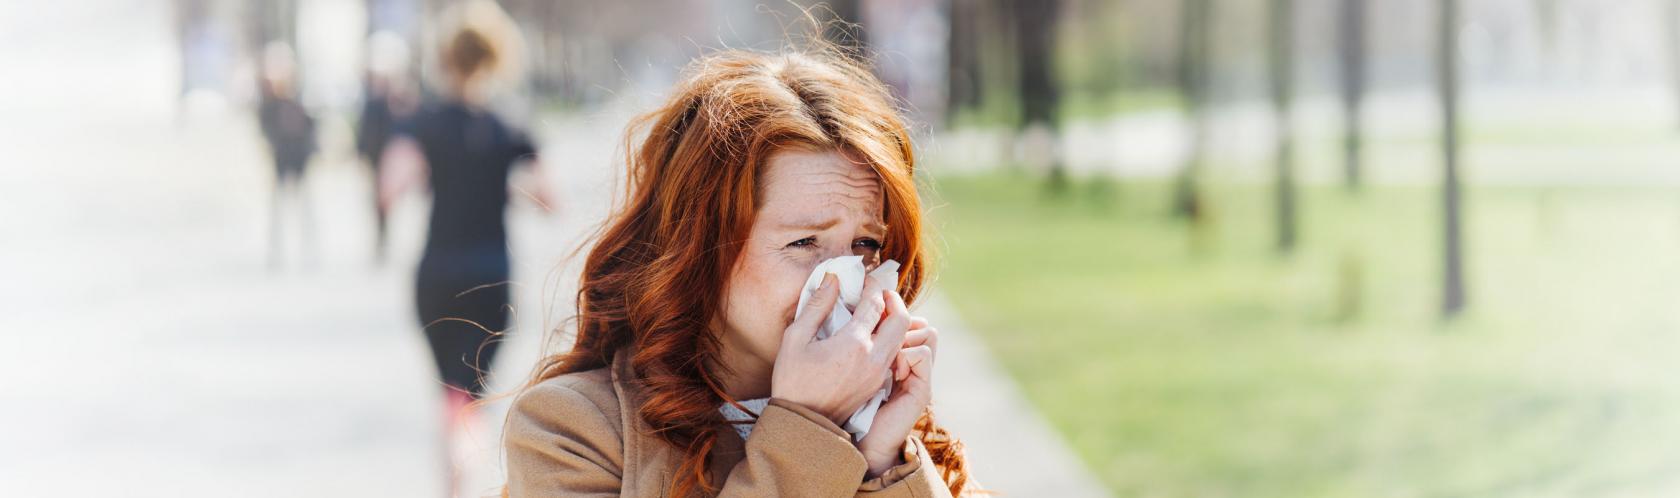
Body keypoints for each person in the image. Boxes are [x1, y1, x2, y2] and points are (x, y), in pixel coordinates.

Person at [503, 48, 972, 497]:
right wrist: (809, 427)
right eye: (804, 242)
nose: (845, 278)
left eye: (865, 244)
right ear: (701, 248)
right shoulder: (572, 427)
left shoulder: (884, 422)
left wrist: (882, 464)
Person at [378, 0, 551, 462]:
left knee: (451, 393)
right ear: (497, 56)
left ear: (445, 57)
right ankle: (464, 463)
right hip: (491, 278)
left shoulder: (423, 123)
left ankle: (454, 471)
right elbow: (548, 198)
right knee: (471, 394)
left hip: (437, 276)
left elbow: (391, 185)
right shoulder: (511, 126)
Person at [357, 31, 416, 264]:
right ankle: (381, 239)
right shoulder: (374, 102)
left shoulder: (397, 100)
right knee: (377, 201)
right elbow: (365, 130)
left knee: (389, 200)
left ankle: (386, 238)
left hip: (390, 156)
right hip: (376, 156)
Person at [256, 41, 317, 271]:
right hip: (281, 160)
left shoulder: (300, 99)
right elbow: (266, 130)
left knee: (305, 208)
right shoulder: (270, 104)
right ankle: (277, 253)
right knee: (279, 209)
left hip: (299, 159)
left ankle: (308, 250)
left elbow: (311, 128)